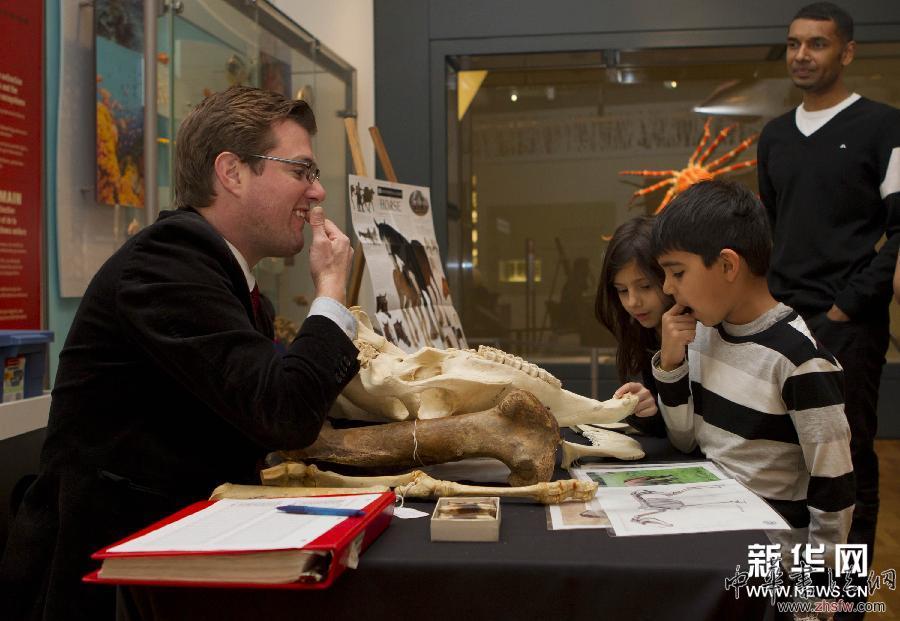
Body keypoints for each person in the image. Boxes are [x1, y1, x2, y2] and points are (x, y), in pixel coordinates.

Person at [0, 86, 361, 621]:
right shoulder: (167, 264)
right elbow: (284, 411)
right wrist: (331, 291)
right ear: (232, 172)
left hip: (166, 565)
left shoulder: (221, 275)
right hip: (105, 586)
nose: (317, 192)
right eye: (300, 171)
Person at [757, 1, 900, 570]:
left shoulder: (884, 125)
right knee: (787, 458)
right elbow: (769, 231)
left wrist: (848, 305)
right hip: (782, 323)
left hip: (848, 328)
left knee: (850, 463)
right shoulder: (773, 137)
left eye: (816, 44)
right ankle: (793, 592)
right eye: (793, 44)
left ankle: (842, 600)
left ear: (846, 51)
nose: (801, 55)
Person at [650, 180, 854, 570]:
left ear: (728, 265)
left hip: (767, 558)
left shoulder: (800, 361)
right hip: (707, 527)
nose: (667, 287)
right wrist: (672, 365)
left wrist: (820, 591)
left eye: (676, 272)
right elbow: (684, 438)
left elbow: (835, 488)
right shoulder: (704, 334)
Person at [595, 216, 672, 437]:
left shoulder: (698, 331)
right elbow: (663, 429)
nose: (632, 301)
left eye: (645, 286)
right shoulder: (640, 332)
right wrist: (644, 410)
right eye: (622, 290)